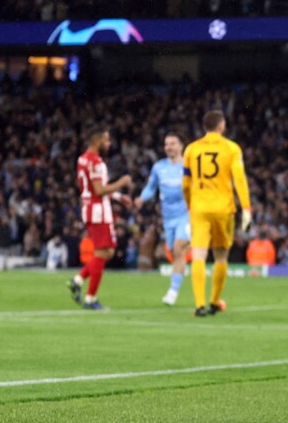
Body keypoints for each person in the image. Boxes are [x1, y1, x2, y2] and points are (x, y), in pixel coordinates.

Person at [182, 110, 252, 318]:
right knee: (220, 255)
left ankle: (199, 304)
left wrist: (190, 204)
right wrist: (246, 207)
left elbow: (186, 184)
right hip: (223, 209)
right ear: (221, 126)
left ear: (205, 127)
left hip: (199, 207)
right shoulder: (231, 148)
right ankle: (214, 302)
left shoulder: (191, 149)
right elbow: (239, 180)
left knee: (199, 254)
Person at [69, 128, 133, 309]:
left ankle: (78, 280)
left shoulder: (83, 159)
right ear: (96, 141)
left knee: (108, 252)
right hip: (99, 212)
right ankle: (90, 298)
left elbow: (93, 188)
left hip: (90, 209)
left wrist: (119, 197)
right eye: (106, 140)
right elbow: (100, 190)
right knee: (102, 252)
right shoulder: (96, 162)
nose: (109, 143)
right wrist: (122, 182)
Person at [135, 133, 193, 306]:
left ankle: (173, 291)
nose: (169, 147)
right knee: (174, 253)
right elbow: (151, 188)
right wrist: (142, 198)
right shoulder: (159, 167)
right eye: (167, 144)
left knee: (178, 249)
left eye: (173, 144)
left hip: (186, 215)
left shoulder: (188, 167)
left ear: (181, 146)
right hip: (168, 218)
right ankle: (180, 277)